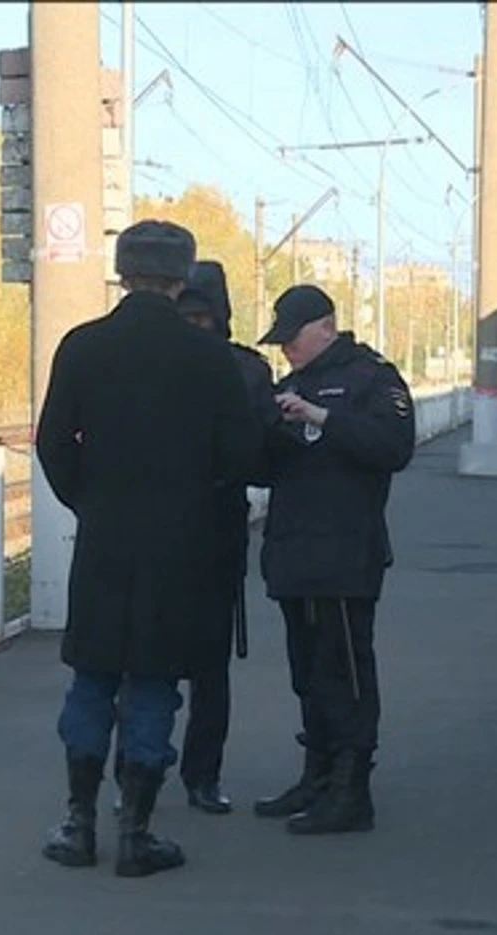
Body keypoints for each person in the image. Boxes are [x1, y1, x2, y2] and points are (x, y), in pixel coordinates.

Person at [34, 221, 263, 878]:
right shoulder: (210, 358)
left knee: (93, 679)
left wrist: (92, 501)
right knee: (156, 683)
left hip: (104, 542)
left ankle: (78, 823)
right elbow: (242, 453)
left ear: (121, 270)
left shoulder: (83, 347)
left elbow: (52, 444)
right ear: (181, 277)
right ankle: (136, 833)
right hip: (180, 546)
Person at [251, 284, 416, 835]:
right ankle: (317, 775)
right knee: (308, 673)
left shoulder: (374, 378)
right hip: (294, 551)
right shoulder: (289, 385)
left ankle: (351, 790)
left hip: (346, 555)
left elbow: (394, 447)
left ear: (324, 327)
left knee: (344, 671)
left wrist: (322, 417)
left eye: (291, 339)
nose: (284, 351)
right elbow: (266, 466)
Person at [161, 260, 281, 813]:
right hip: (214, 532)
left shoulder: (147, 363)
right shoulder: (247, 370)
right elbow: (261, 461)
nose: (194, 326)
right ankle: (198, 779)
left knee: (151, 665)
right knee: (206, 670)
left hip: (169, 534)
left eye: (199, 316)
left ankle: (146, 774)